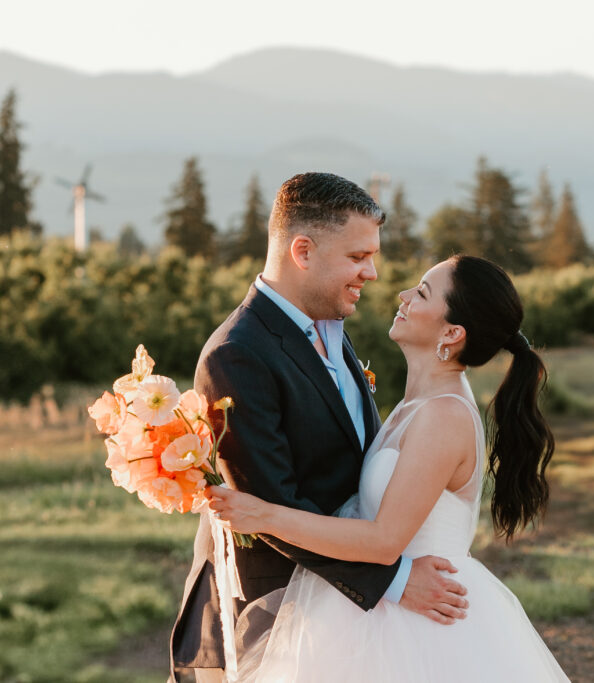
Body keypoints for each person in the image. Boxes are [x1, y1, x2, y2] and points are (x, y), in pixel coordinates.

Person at [207, 254, 570, 681]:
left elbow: (383, 540)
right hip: (375, 606)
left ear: (452, 333)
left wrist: (264, 514)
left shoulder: (443, 415)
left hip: (420, 624)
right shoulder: (418, 403)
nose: (403, 295)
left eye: (421, 292)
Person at [169, 173, 470, 683]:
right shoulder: (238, 355)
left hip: (346, 617)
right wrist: (395, 580)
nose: (372, 273)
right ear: (302, 251)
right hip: (275, 613)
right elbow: (269, 506)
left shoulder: (329, 327)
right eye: (358, 257)